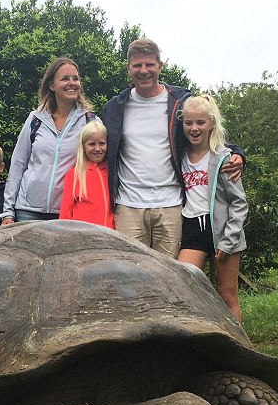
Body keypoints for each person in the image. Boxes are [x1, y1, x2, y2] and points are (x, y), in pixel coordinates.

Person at [102, 38, 245, 257]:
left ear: (159, 65)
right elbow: (98, 147)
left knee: (170, 278)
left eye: (149, 64)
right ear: (129, 68)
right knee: (130, 276)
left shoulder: (179, 100)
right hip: (128, 205)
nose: (144, 71)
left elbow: (203, 131)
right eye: (137, 65)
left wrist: (237, 152)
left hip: (171, 205)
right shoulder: (114, 108)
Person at [176, 95, 247, 321]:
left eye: (200, 123)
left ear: (211, 124)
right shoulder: (178, 156)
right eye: (188, 123)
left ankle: (238, 349)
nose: (194, 128)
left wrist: (229, 239)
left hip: (222, 230)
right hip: (192, 228)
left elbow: (239, 203)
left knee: (227, 295)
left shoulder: (225, 158)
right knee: (182, 285)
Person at [1, 57, 97, 224]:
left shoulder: (90, 121)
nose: (72, 83)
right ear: (51, 85)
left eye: (75, 78)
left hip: (68, 212)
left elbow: (101, 168)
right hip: (27, 211)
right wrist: (8, 212)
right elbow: (18, 164)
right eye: (65, 78)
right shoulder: (35, 119)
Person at [59, 122, 114, 228]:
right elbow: (65, 212)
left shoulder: (112, 174)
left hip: (109, 238)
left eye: (102, 143)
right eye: (92, 144)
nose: (97, 149)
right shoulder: (74, 175)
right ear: (83, 146)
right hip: (82, 238)